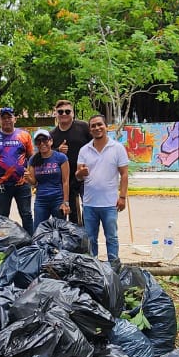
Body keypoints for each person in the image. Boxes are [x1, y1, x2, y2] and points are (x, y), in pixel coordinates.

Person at [76, 114, 128, 267]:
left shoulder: (117, 148)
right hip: (90, 203)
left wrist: (123, 197)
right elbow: (78, 176)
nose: (97, 128)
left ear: (106, 126)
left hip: (110, 204)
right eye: (93, 126)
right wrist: (81, 173)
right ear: (90, 130)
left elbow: (124, 174)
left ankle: (114, 267)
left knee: (111, 237)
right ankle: (93, 267)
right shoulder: (84, 150)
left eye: (100, 124)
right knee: (90, 238)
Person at [0, 107, 34, 229]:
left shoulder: (24, 135)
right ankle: (4, 242)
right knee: (3, 217)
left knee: (26, 215)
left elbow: (31, 158)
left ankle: (31, 243)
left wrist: (32, 178)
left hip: (23, 184)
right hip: (2, 185)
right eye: (3, 118)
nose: (7, 120)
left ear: (14, 119)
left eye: (9, 117)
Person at [49, 99, 90, 224]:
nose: (64, 114)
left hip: (86, 175)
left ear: (73, 113)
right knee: (72, 213)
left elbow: (95, 144)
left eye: (67, 111)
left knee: (88, 210)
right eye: (60, 112)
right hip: (66, 180)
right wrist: (57, 150)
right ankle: (75, 239)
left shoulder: (83, 127)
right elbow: (47, 155)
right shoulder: (52, 135)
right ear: (56, 114)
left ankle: (87, 237)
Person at [26, 128, 70, 232]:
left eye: (45, 140)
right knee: (38, 231)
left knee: (60, 232)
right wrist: (28, 178)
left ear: (50, 141)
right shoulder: (33, 159)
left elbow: (65, 181)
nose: (42, 143)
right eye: (38, 141)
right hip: (41, 201)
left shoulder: (61, 158)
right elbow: (34, 183)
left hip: (58, 200)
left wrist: (65, 202)